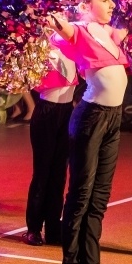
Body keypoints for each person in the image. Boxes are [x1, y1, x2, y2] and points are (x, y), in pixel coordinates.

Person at [51, 0, 130, 264]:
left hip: (113, 119)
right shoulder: (78, 29)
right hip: (91, 118)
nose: (111, 4)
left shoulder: (107, 31)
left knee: (100, 196)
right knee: (81, 194)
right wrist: (53, 18)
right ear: (84, 5)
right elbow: (63, 27)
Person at [23, 34, 78, 246]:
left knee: (59, 175)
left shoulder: (74, 45)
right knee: (42, 172)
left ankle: (54, 227)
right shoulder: (41, 46)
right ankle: (34, 228)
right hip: (46, 112)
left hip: (66, 113)